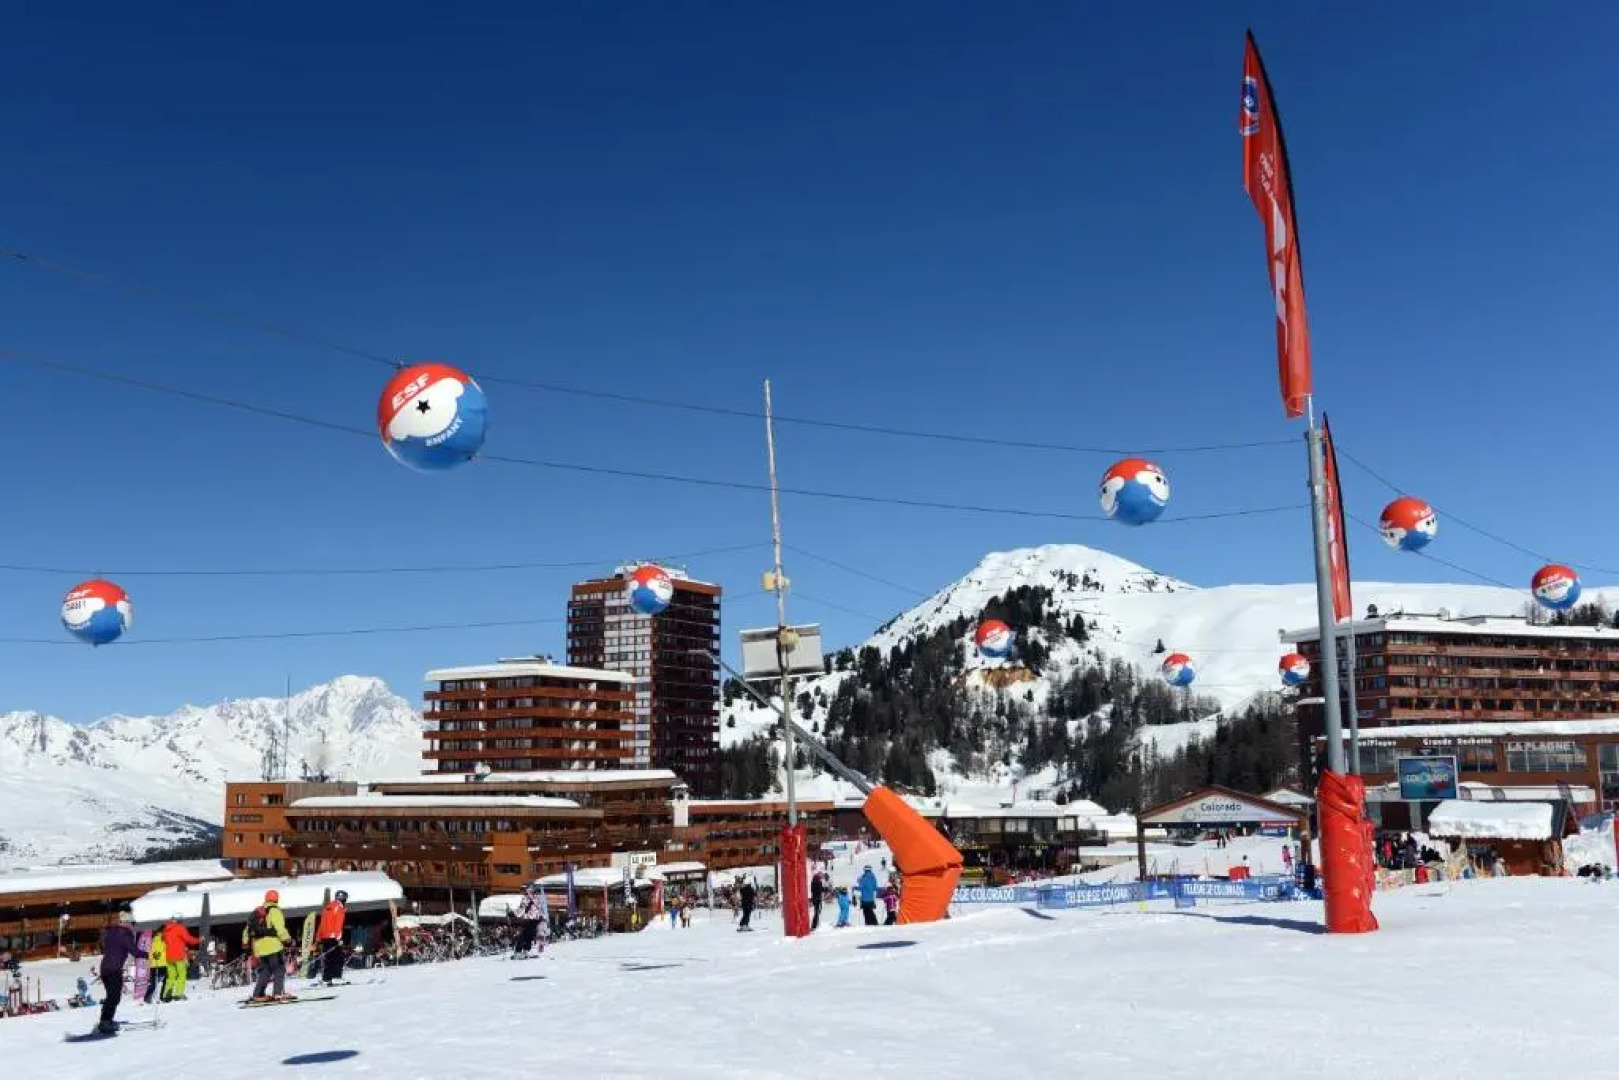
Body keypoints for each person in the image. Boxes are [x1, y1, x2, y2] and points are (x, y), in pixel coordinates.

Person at [244, 889, 295, 1003]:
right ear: (276, 899)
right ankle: (278, 993)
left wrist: (246, 944)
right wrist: (287, 940)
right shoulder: (274, 911)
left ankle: (258, 994)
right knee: (279, 969)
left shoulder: (257, 912)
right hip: (273, 946)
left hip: (260, 948)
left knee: (265, 971)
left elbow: (247, 930)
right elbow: (280, 928)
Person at [97, 911, 138, 1035]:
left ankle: (106, 1020)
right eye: (132, 923)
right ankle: (105, 1022)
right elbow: (134, 951)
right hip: (113, 969)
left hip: (106, 968)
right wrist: (147, 954)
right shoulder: (124, 934)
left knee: (112, 996)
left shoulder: (112, 932)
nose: (133, 926)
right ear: (127, 923)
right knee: (114, 997)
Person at [160, 913, 199, 1001]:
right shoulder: (180, 928)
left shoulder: (166, 929)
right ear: (179, 920)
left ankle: (166, 995)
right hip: (179, 956)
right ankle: (178, 994)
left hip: (169, 957)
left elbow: (164, 940)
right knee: (181, 974)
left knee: (171, 976)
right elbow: (189, 939)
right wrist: (199, 940)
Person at [315, 890, 348, 985]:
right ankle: (336, 977)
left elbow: (322, 923)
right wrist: (339, 938)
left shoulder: (328, 907)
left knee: (329, 959)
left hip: (325, 937)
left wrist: (318, 937)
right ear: (343, 898)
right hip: (333, 937)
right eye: (345, 898)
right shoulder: (339, 908)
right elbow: (338, 924)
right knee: (339, 958)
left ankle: (326, 978)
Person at [512, 884, 544, 958]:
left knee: (530, 936)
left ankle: (526, 950)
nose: (536, 892)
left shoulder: (536, 898)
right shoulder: (526, 899)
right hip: (528, 919)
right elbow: (522, 908)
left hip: (535, 919)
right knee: (523, 936)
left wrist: (540, 916)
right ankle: (518, 951)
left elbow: (538, 908)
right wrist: (516, 914)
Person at [144, 931, 167, 1005]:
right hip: (163, 964)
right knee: (166, 980)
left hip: (153, 965)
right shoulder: (164, 942)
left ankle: (147, 997)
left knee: (153, 982)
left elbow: (149, 955)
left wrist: (150, 961)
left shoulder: (152, 943)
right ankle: (163, 996)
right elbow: (167, 952)